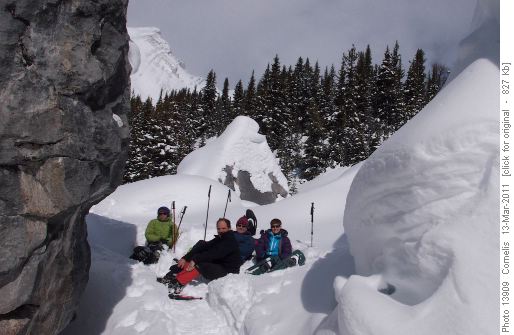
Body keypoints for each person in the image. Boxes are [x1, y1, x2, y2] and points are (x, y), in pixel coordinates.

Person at [160, 218, 241, 294]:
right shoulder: (220, 238)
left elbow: (214, 254)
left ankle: (177, 284)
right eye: (219, 229)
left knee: (201, 265)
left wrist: (195, 259)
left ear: (229, 228)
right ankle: (173, 274)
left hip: (228, 272)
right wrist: (185, 258)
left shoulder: (230, 241)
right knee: (200, 248)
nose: (220, 231)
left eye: (223, 228)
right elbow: (204, 246)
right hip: (219, 265)